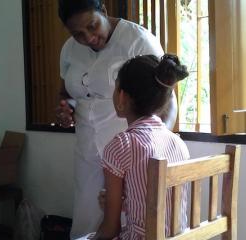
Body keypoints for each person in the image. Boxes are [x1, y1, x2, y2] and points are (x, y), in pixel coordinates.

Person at [55, 0, 177, 237]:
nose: (88, 37)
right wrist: (64, 109)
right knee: (87, 214)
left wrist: (156, 146)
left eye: (92, 26)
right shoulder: (69, 49)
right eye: (77, 33)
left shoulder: (138, 41)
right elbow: (66, 93)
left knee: (127, 217)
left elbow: (168, 99)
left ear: (104, 11)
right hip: (87, 147)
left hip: (132, 151)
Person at [91, 54, 190, 239]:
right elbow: (161, 204)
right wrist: (124, 203)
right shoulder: (178, 143)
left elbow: (110, 229)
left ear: (122, 96)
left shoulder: (121, 146)